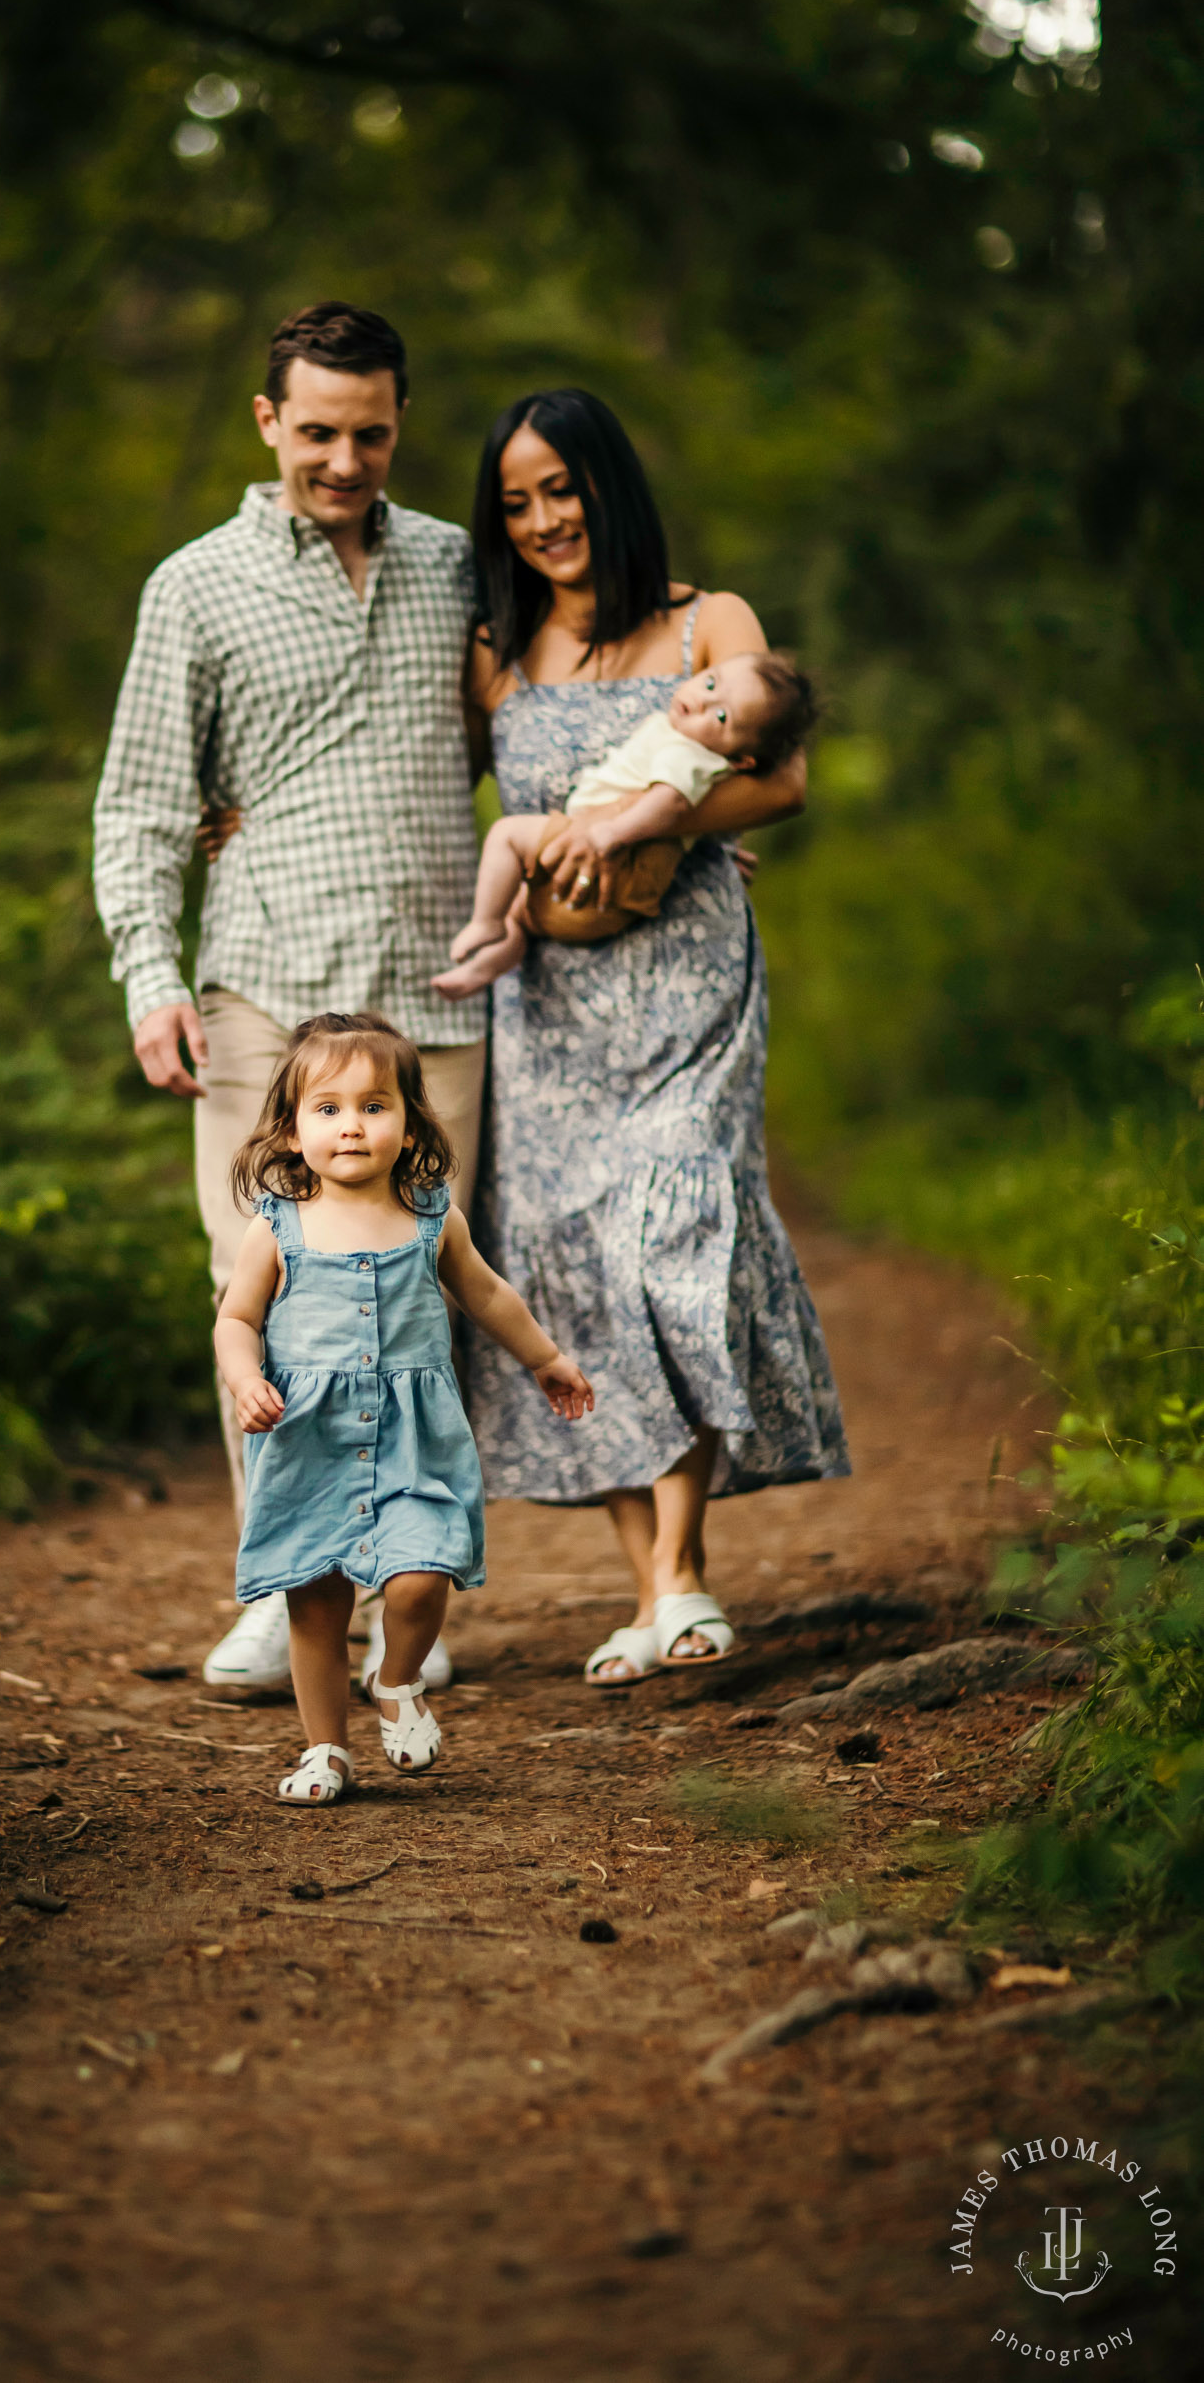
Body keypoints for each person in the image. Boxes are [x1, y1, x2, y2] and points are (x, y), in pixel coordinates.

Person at [93, 302, 485, 1699]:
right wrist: (150, 974)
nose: (342, 458)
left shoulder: (455, 561)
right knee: (261, 1291)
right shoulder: (192, 584)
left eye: (368, 433)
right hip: (265, 988)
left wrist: (667, 817)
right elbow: (142, 802)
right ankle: (282, 1580)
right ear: (268, 423)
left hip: (436, 993)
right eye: (315, 431)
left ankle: (404, 1601)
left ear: (397, 424)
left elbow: (541, 714)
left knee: (418, 1299)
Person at [462, 388, 850, 1683]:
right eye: (514, 503)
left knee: (670, 1235)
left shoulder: (706, 621)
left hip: (684, 986)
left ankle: (682, 1574)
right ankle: (648, 1588)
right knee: (574, 1271)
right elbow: (430, 782)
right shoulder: (497, 649)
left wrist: (635, 826)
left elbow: (781, 780)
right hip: (548, 1012)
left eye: (559, 490)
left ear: (606, 486)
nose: (539, 521)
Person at [215, 1012, 592, 1803]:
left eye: (373, 1106)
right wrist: (245, 1378)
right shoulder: (275, 1228)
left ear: (409, 1122)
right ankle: (326, 1751)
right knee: (314, 1603)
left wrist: (545, 1359)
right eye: (327, 1109)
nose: (351, 1126)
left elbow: (486, 1292)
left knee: (422, 1577)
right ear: (288, 1132)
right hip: (308, 1439)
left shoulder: (429, 1216)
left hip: (414, 1440)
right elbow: (235, 1318)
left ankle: (396, 1679)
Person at [433, 650, 817, 996]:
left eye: (720, 716)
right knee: (524, 914)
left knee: (506, 835)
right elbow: (692, 818)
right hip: (619, 883)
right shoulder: (702, 756)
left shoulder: (687, 754)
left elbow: (668, 806)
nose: (701, 700)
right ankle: (485, 967)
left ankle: (485, 923)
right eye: (710, 682)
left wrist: (612, 833)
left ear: (743, 760)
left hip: (617, 859)